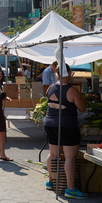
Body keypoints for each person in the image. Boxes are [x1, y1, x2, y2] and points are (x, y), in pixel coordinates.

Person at [44, 63, 88, 199]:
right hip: (67, 125)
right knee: (70, 157)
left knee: (53, 154)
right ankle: (70, 189)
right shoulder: (72, 90)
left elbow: (50, 104)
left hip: (50, 124)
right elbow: (82, 108)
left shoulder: (50, 88)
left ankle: (50, 181)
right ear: (69, 73)